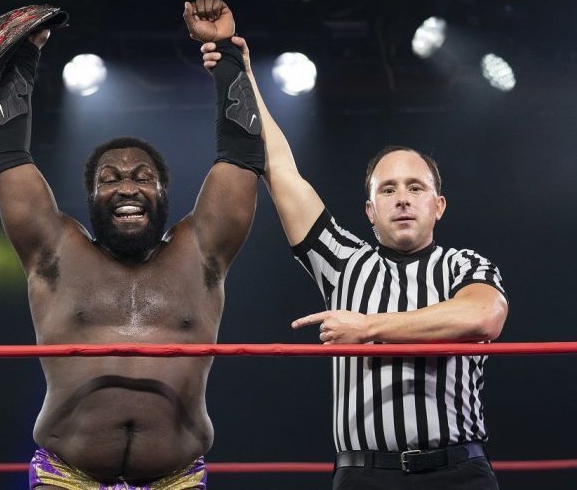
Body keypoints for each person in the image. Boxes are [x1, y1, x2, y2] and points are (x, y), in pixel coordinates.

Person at [202, 36, 509, 489]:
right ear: (370, 211)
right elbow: (280, 169)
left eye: (415, 188)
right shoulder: (343, 262)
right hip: (366, 474)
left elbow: (484, 316)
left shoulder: (465, 265)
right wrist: (238, 69)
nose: (402, 199)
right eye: (388, 190)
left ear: (438, 206)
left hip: (458, 471)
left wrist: (367, 328)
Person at [0, 0, 263, 489]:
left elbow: (241, 159)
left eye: (142, 177)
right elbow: (8, 158)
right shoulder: (55, 251)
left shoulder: (199, 251)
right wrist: (23, 58)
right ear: (91, 197)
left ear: (163, 193)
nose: (127, 187)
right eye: (109, 179)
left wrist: (224, 51)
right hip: (66, 475)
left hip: (175, 476)